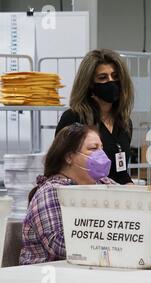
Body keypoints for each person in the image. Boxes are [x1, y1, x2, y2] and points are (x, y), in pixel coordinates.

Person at [20, 123, 114, 265]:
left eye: (101, 148)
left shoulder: (103, 183)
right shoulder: (51, 192)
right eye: (93, 149)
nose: (101, 155)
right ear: (69, 157)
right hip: (46, 278)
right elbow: (60, 245)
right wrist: (115, 243)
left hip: (90, 272)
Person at [56, 49, 134, 185]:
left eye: (115, 76)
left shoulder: (124, 122)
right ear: (90, 84)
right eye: (103, 78)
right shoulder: (74, 118)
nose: (111, 82)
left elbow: (120, 172)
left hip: (116, 198)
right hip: (85, 197)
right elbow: (59, 167)